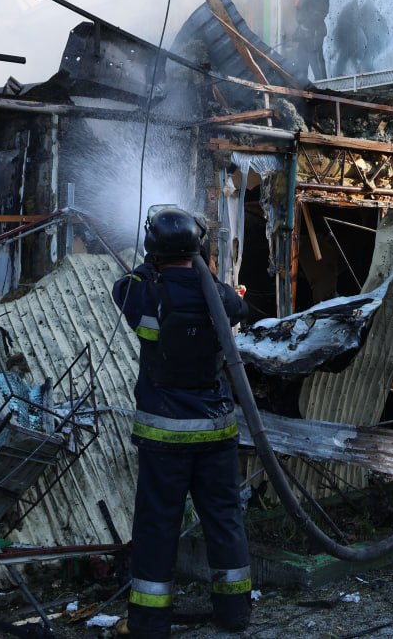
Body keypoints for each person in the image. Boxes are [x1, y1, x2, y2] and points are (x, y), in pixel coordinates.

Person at [112, 206, 251, 638]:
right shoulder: (219, 294)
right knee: (224, 520)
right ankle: (234, 614)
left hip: (163, 434)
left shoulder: (141, 291)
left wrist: (152, 261)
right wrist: (202, 266)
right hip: (216, 431)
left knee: (157, 526)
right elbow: (238, 307)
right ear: (197, 246)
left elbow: (120, 289)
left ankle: (150, 624)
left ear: (153, 249)